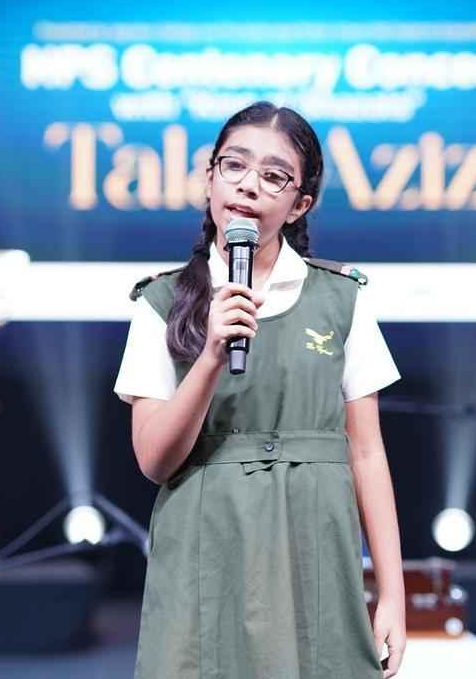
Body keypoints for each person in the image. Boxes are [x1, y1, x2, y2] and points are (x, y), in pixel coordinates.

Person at [114, 101, 406, 679]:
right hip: (207, 543)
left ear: (300, 204)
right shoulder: (161, 302)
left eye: (274, 176)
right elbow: (153, 459)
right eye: (235, 165)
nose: (249, 185)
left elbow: (368, 452)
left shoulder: (342, 299)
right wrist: (210, 356)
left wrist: (392, 594)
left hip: (313, 546)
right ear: (210, 178)